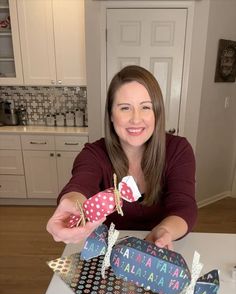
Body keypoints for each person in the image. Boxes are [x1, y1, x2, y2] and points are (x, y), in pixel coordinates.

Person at [46, 65, 197, 250]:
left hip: (161, 251)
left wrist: (164, 230)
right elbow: (79, 185)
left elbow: (184, 206)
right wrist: (71, 204)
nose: (136, 119)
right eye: (125, 108)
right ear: (111, 114)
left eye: (145, 107)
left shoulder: (178, 149)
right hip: (108, 253)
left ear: (157, 113)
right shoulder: (94, 154)